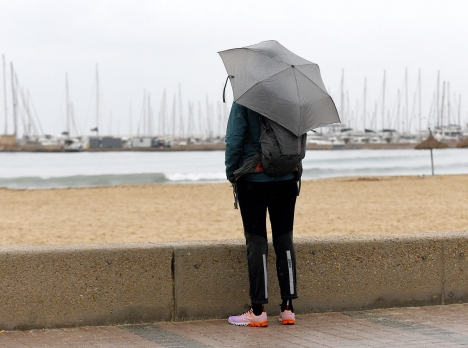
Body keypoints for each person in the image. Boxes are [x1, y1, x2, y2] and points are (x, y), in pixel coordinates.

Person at [225, 102, 298, 327]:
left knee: (256, 242)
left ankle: (258, 311)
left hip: (254, 181)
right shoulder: (292, 96)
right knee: (284, 239)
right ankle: (288, 309)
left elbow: (234, 139)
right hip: (286, 179)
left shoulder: (246, 98)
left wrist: (232, 172)